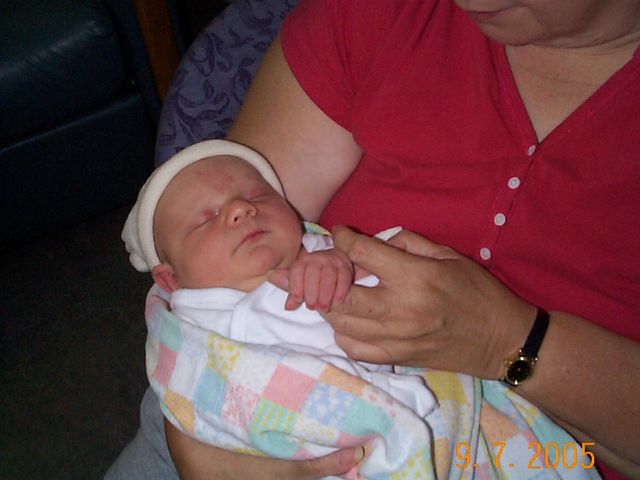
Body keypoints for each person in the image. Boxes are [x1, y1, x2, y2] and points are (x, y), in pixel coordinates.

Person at [107, 0, 640, 479]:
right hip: (225, 413)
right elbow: (203, 265)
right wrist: (195, 431)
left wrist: (510, 343)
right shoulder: (373, 14)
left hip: (509, 449)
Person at [121, 139, 437, 477]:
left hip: (366, 432)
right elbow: (184, 386)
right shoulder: (188, 323)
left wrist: (343, 268)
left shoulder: (323, 254)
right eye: (204, 219)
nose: (241, 209)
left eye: (258, 196)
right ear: (171, 279)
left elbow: (402, 294)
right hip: (233, 445)